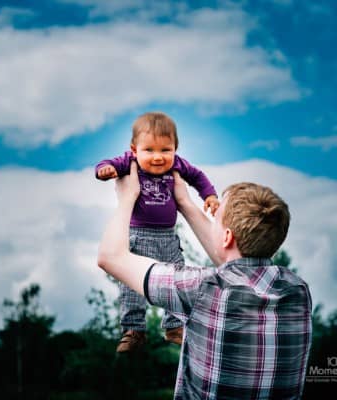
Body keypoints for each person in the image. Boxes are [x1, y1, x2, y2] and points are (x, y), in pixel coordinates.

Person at [97, 162, 312, 399]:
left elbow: (110, 257)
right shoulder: (298, 292)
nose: (213, 224)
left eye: (216, 218)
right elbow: (236, 261)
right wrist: (185, 203)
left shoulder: (202, 288)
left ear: (227, 236)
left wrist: (127, 197)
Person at [95, 112, 219, 352]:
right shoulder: (128, 163)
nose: (158, 157)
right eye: (149, 150)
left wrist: (210, 196)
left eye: (166, 150)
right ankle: (134, 330)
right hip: (138, 236)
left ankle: (175, 326)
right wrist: (106, 170)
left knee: (179, 280)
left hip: (169, 238)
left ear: (175, 149)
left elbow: (198, 177)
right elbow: (103, 164)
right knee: (132, 285)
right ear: (134, 150)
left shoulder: (179, 165)